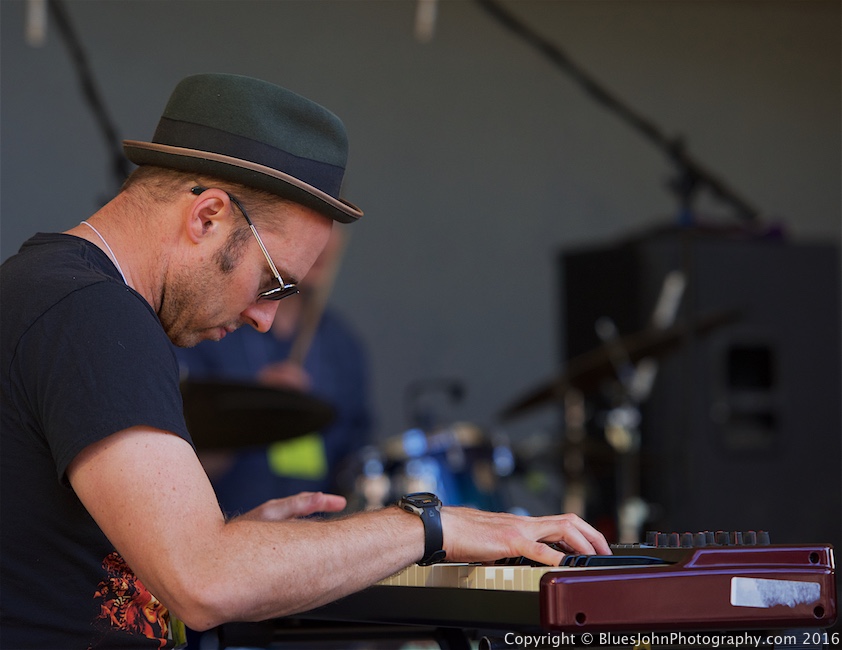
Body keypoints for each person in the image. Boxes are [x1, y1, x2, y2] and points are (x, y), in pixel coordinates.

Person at [0, 73, 610, 649]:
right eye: (272, 282)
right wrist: (431, 526)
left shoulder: (50, 290)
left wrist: (246, 546)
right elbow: (202, 581)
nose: (265, 318)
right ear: (207, 217)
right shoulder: (94, 315)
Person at [175, 227, 372, 515]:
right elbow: (173, 466)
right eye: (317, 223)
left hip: (315, 540)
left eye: (335, 225)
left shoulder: (342, 347)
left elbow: (355, 464)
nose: (326, 242)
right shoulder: (213, 326)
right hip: (221, 531)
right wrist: (253, 409)